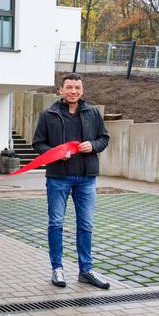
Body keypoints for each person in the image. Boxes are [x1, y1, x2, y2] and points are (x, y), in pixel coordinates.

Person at [32, 73, 111, 290]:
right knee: (56, 223)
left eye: (77, 87)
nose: (73, 91)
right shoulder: (49, 114)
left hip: (86, 178)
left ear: (82, 90)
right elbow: (38, 144)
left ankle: (86, 270)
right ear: (61, 90)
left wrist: (92, 146)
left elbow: (104, 138)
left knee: (86, 224)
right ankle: (57, 268)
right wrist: (56, 153)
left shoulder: (93, 113)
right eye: (69, 87)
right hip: (58, 177)